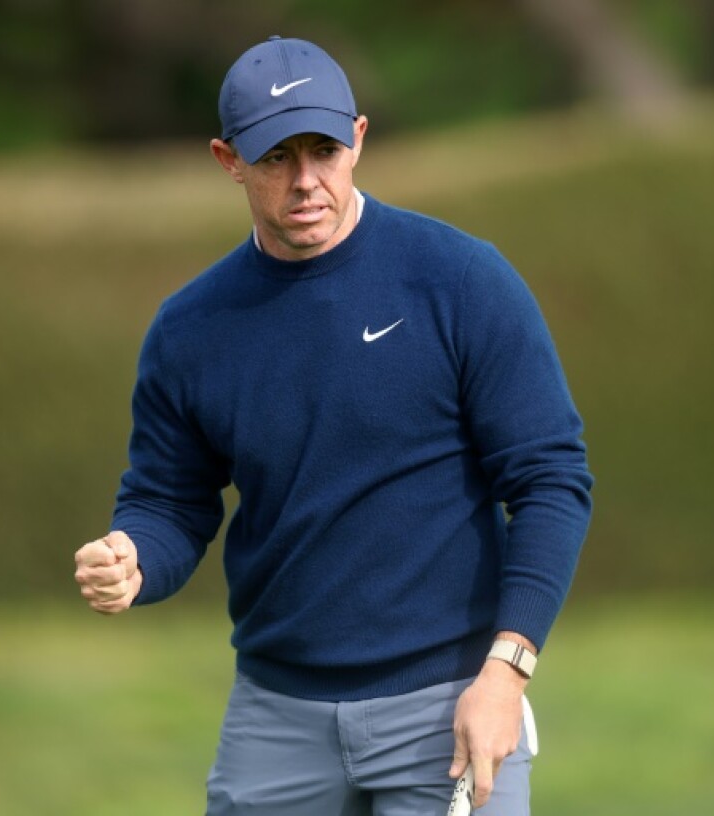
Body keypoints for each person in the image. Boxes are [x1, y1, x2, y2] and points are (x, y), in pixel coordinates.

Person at [73, 35, 592, 816]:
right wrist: (134, 554)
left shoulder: (459, 279)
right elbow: (172, 502)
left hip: (450, 707)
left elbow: (552, 482)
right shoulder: (191, 329)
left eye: (323, 149)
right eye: (277, 158)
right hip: (277, 716)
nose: (306, 181)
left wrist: (505, 673)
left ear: (358, 138)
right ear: (228, 159)